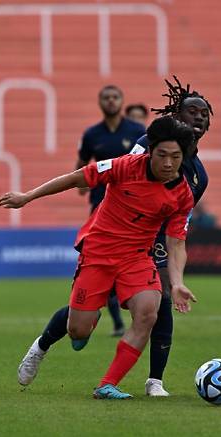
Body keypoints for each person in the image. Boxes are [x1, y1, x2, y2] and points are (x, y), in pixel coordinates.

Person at [15, 76, 213, 398]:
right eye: (193, 112)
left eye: (205, 114)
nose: (200, 118)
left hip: (144, 248)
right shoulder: (134, 158)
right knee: (79, 327)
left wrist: (177, 280)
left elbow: (178, 236)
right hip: (104, 239)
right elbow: (81, 177)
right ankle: (45, 344)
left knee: (154, 306)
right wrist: (28, 197)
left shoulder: (194, 180)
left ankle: (138, 382)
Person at [76, 85, 146, 336]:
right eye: (106, 97)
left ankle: (136, 312)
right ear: (100, 102)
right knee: (101, 260)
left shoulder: (138, 131)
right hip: (100, 203)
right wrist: (81, 184)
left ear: (121, 101)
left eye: (115, 97)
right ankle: (114, 319)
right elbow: (82, 162)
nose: (111, 101)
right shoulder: (92, 134)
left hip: (132, 204)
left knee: (128, 261)